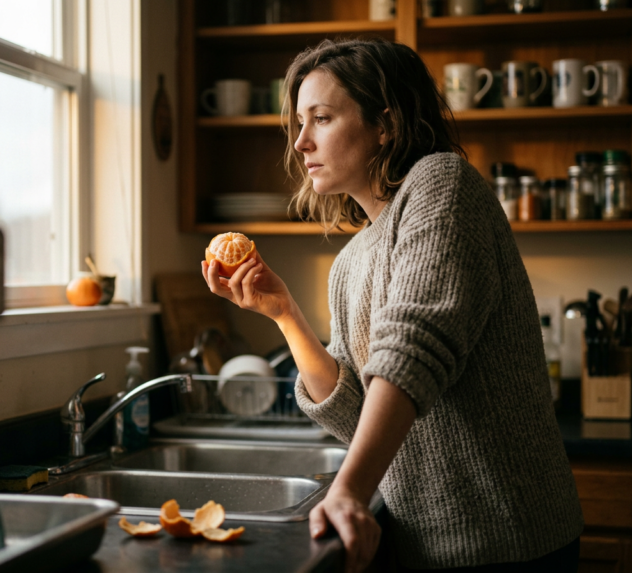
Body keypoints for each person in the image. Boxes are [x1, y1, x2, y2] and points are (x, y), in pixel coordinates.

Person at [202, 38, 583, 573]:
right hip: (422, 547)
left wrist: (349, 490)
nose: (300, 142)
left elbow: (413, 348)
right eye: (298, 123)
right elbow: (358, 413)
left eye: (322, 119)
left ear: (386, 125)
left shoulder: (442, 183)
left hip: (509, 540)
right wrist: (283, 312)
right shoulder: (351, 261)